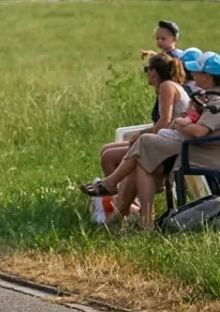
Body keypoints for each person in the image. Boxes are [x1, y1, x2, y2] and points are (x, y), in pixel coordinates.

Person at [81, 52, 220, 229]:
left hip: (197, 150)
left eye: (197, 72)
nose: (193, 74)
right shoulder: (205, 95)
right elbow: (190, 118)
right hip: (189, 145)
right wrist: (185, 118)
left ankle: (113, 189)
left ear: (207, 76)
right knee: (140, 162)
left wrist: (179, 124)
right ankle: (132, 220)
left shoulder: (216, 102)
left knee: (144, 142)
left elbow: (199, 132)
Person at [99, 53, 190, 178]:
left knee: (108, 157)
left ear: (154, 72)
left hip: (173, 142)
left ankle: (116, 195)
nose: (146, 74)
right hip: (172, 138)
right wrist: (142, 134)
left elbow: (165, 121)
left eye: (147, 69)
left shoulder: (166, 86)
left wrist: (145, 137)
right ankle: (119, 195)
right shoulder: (169, 86)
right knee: (105, 149)